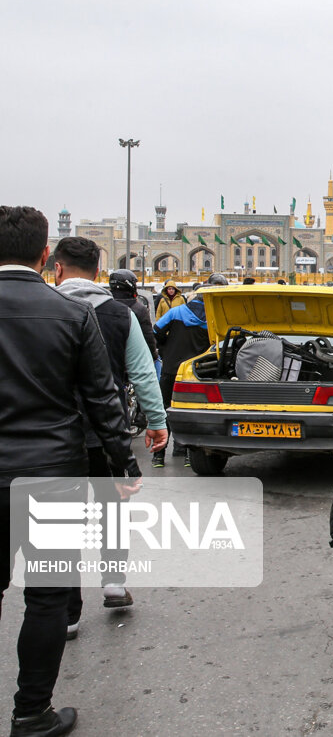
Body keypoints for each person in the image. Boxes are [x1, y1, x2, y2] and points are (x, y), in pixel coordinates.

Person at [0, 206, 142, 737]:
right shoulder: (69, 314)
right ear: (43, 256)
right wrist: (123, 464)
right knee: (46, 597)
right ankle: (31, 712)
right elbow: (102, 399)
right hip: (50, 473)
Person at [52, 238, 168, 625]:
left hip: (57, 433)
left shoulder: (47, 309)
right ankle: (113, 584)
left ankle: (67, 612)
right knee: (110, 510)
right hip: (107, 430)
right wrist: (156, 421)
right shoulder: (121, 315)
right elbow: (143, 371)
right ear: (99, 271)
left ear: (57, 269)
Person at [153, 288, 212, 467]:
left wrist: (166, 349)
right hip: (196, 372)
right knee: (193, 411)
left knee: (165, 410)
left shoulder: (177, 311)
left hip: (171, 368)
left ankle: (159, 456)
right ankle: (188, 455)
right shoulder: (212, 317)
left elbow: (156, 331)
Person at [108, 269, 159, 362]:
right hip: (133, 361)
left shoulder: (104, 305)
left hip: (108, 360)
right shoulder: (138, 309)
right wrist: (154, 355)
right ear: (130, 285)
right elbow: (148, 339)